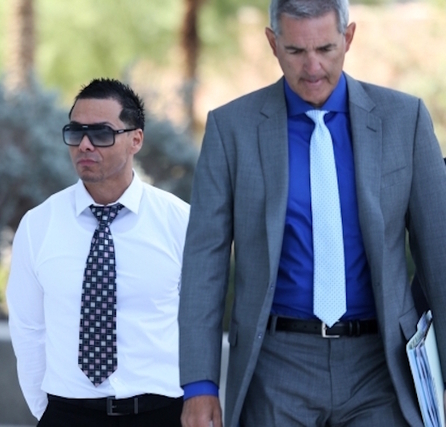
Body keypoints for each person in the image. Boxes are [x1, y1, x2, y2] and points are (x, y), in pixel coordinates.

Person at [178, 1, 446, 426]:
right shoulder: (232, 129)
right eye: (296, 51)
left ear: (348, 37)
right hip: (277, 365)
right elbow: (203, 264)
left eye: (325, 48)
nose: (312, 67)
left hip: (380, 364)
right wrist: (199, 385)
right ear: (273, 43)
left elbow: (440, 255)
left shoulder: (404, 119)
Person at [6, 78, 189, 427]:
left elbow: (197, 326)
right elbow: (28, 328)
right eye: (76, 132)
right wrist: (46, 411)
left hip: (160, 413)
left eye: (102, 133)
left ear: (136, 139)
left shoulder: (179, 222)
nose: (85, 145)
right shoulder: (38, 225)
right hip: (68, 414)